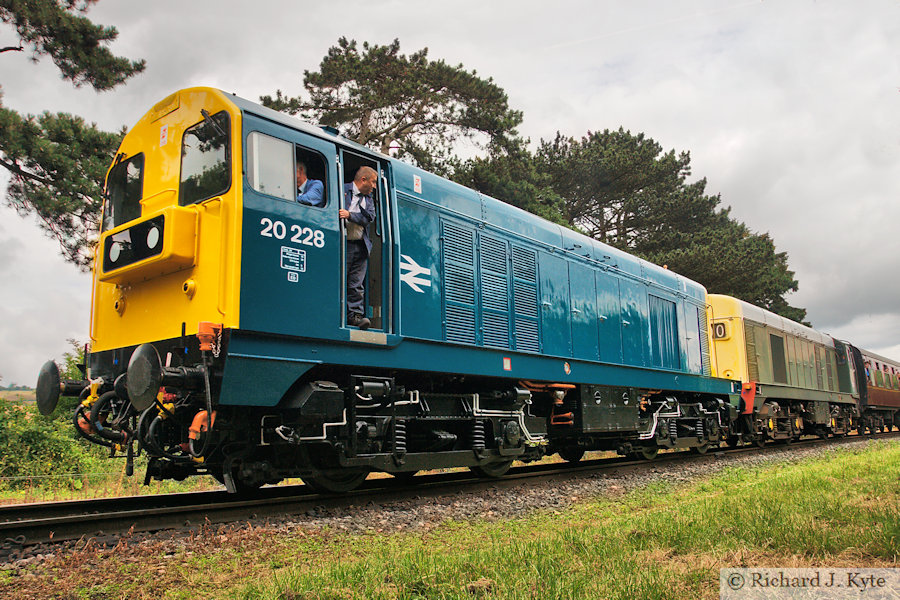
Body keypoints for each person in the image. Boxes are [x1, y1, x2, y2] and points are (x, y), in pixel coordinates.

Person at [341, 166, 377, 330]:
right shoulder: (342, 189)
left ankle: (355, 316)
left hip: (360, 245)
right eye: (373, 182)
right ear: (363, 180)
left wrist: (350, 215)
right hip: (343, 243)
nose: (374, 186)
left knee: (356, 284)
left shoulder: (368, 200)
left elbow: (368, 217)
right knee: (341, 278)